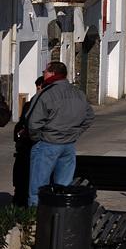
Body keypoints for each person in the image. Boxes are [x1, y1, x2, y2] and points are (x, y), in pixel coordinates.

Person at [26, 61, 95, 207]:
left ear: (52, 73)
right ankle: (60, 219)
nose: (43, 73)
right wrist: (75, 132)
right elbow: (89, 117)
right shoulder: (78, 93)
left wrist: (38, 138)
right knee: (63, 188)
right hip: (68, 145)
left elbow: (33, 122)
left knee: (38, 189)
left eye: (45, 71)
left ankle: (34, 222)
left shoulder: (46, 93)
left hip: (47, 143)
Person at [13, 77, 45, 207]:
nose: (38, 91)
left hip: (38, 146)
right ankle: (21, 202)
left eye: (40, 88)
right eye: (37, 88)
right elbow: (20, 125)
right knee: (22, 177)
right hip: (25, 147)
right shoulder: (29, 104)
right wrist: (20, 132)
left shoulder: (46, 105)